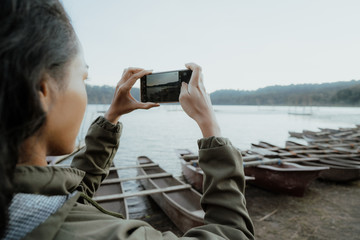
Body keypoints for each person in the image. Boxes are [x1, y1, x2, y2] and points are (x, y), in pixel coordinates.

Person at [0, 0, 254, 239]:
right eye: (82, 78)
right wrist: (210, 127)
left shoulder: (18, 196)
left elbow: (70, 192)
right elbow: (232, 234)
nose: (84, 89)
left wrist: (112, 116)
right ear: (41, 91)